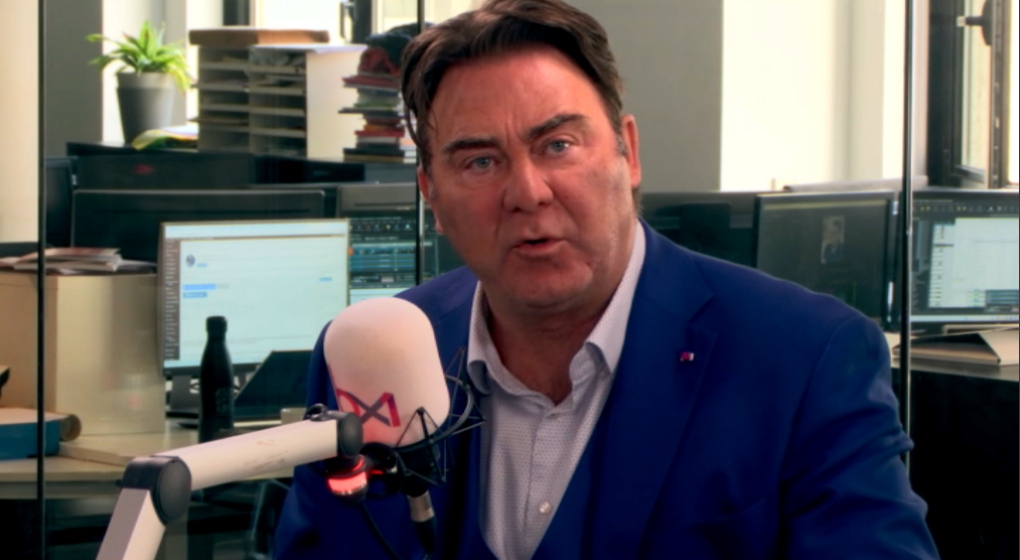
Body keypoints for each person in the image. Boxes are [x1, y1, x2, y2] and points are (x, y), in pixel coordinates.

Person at [276, 1, 939, 558]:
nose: (528, 192)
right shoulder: (366, 355)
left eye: (558, 146)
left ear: (629, 152)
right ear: (432, 196)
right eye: (479, 162)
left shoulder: (804, 357)